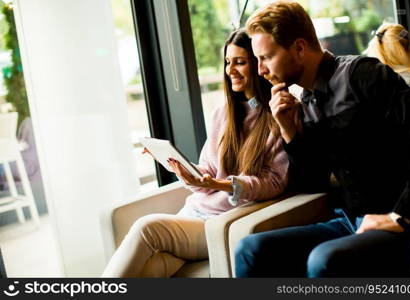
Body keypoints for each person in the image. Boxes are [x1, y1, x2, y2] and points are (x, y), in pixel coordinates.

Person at [234, 0, 410, 277]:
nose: (260, 70)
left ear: (298, 47)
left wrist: (401, 216)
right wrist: (288, 131)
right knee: (250, 249)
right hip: (349, 221)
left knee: (323, 260)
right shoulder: (305, 100)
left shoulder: (363, 76)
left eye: (266, 57)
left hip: (396, 219)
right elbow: (312, 181)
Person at [102, 29, 289, 278]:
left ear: (259, 65)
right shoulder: (222, 113)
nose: (230, 70)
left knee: (147, 228)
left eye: (240, 62)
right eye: (227, 62)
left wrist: (222, 184)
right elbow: (207, 173)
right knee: (151, 269)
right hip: (193, 213)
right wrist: (180, 168)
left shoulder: (277, 117)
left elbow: (274, 182)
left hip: (221, 223)